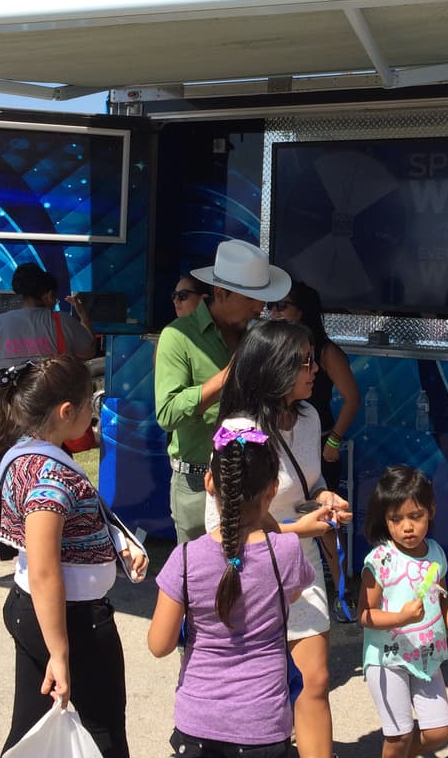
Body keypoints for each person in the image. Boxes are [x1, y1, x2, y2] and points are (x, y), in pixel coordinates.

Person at [204, 319, 350, 758]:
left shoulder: (308, 417)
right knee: (255, 690)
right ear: (274, 368)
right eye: (305, 362)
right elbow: (220, 528)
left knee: (315, 680)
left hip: (299, 566)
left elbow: (309, 482)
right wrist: (296, 529)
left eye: (312, 360)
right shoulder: (236, 430)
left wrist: (325, 497)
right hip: (250, 573)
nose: (315, 370)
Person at [0, 354, 146, 758]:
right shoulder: (50, 477)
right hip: (72, 620)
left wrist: (115, 541)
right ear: (65, 411)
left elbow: (68, 533)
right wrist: (60, 653)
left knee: (29, 731)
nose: (93, 415)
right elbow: (45, 571)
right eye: (90, 404)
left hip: (39, 611)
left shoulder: (27, 450)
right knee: (104, 731)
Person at [147, 419, 316, 758]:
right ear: (272, 489)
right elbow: (294, 594)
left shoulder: (184, 559)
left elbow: (159, 645)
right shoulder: (285, 552)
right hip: (263, 725)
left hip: (197, 723)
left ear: (210, 483)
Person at [157, 239, 291, 542]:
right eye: (251, 299)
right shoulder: (178, 337)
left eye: (263, 300)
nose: (260, 308)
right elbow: (167, 414)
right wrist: (228, 375)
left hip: (252, 477)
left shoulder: (256, 335)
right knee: (199, 581)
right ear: (220, 293)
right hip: (196, 480)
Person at [0, 262, 95, 559]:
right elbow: (89, 350)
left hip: (7, 412)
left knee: (5, 470)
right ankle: (51, 535)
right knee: (51, 472)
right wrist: (83, 317)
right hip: (51, 414)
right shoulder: (60, 323)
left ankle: (9, 542)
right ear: (48, 294)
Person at [359, 465, 448, 758]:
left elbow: (443, 598)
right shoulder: (381, 559)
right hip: (387, 661)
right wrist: (401, 618)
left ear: (431, 510)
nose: (407, 527)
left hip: (426, 657)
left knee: (438, 732)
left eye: (415, 516)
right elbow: (365, 614)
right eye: (396, 519)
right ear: (384, 520)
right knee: (398, 736)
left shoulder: (436, 552)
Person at [269, 280, 362, 622]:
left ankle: (340, 592)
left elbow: (352, 397)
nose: (274, 312)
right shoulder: (268, 352)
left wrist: (333, 441)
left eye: (283, 306)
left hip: (317, 447)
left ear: (303, 311)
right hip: (282, 447)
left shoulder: (326, 352)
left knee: (326, 524)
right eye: (272, 306)